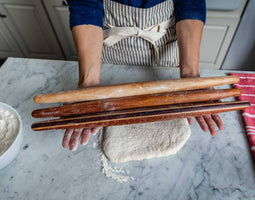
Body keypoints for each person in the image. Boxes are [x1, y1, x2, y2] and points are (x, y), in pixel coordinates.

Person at [63, 0, 224, 151]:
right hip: (106, 47)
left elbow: (190, 2)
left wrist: (190, 75)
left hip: (163, 44)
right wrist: (89, 84)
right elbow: (84, 3)